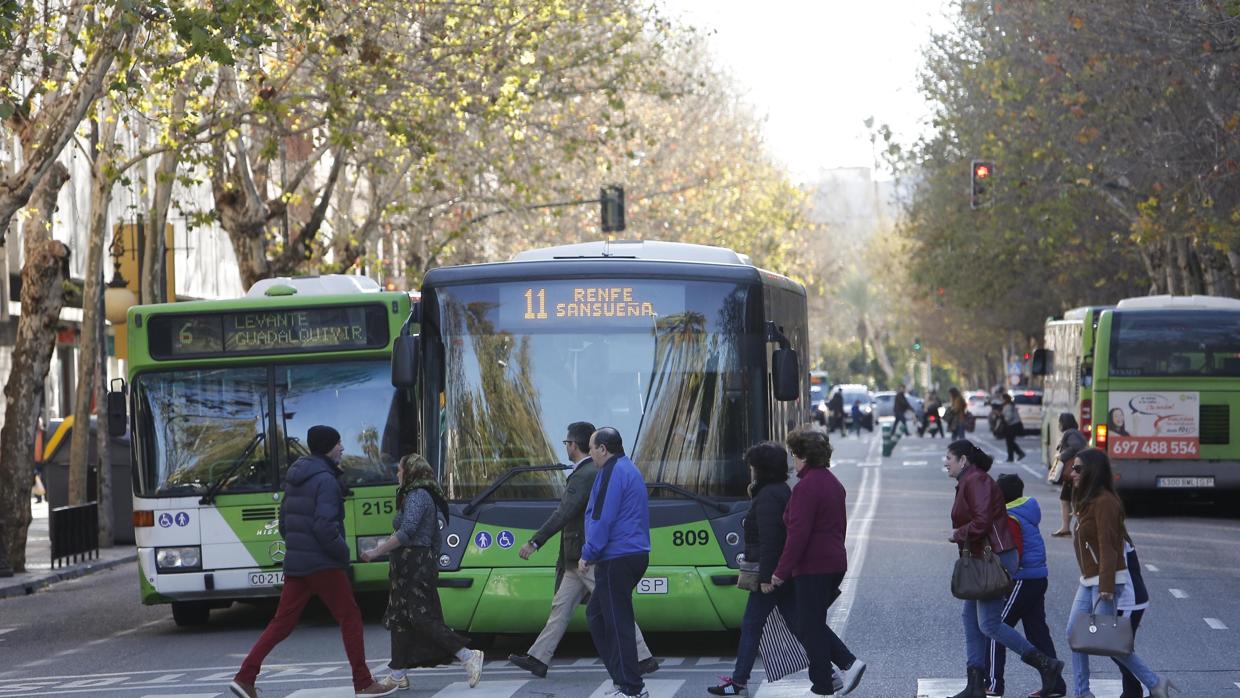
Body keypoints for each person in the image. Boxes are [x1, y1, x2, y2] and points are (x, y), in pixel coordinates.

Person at [229, 426, 395, 698]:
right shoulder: (326, 481)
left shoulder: (296, 478)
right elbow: (324, 527)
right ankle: (363, 682)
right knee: (350, 617)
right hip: (323, 563)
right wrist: (343, 554)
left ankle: (245, 677)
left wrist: (299, 546)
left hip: (298, 561)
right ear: (329, 447)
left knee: (281, 622)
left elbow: (283, 523)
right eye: (339, 443)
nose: (342, 448)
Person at [509, 422, 657, 678]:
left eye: (567, 443)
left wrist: (536, 541)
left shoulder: (590, 474)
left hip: (586, 555)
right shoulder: (607, 470)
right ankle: (538, 658)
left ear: (573, 445)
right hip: (579, 556)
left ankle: (641, 659)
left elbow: (572, 514)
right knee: (561, 607)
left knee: (613, 607)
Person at [943, 439, 1063, 698]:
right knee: (970, 619)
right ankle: (975, 685)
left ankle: (1046, 664)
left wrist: (958, 533)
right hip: (984, 556)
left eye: (949, 458)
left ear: (963, 460)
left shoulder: (976, 481)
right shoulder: (971, 480)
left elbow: (982, 522)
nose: (945, 463)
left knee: (990, 624)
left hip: (994, 557)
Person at [361, 454, 484, 692]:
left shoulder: (418, 496)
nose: (397, 473)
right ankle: (397, 674)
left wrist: (377, 551)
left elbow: (407, 532)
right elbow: (435, 537)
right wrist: (431, 559)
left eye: (400, 469)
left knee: (420, 616)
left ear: (411, 472)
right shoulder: (414, 495)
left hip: (414, 564)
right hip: (409, 565)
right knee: (400, 618)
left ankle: (468, 655)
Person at [1065, 449, 1176, 698]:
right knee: (1074, 634)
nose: (1072, 472)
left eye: (1078, 468)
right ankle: (1082, 692)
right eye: (1073, 467)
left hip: (1106, 580)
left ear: (1093, 472)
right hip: (1089, 580)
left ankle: (1155, 682)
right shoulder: (1087, 501)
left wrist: (1106, 585)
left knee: (1108, 643)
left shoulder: (1105, 502)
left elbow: (1108, 545)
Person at [770, 428, 866, 696]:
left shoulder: (805, 488)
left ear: (803, 456)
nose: (793, 460)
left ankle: (845, 665)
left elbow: (797, 535)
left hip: (812, 566)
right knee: (811, 623)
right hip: (834, 561)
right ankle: (826, 680)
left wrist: (781, 572)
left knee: (808, 623)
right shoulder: (833, 483)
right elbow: (840, 526)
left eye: (794, 454)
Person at [580, 427, 652, 698]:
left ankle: (632, 688)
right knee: (597, 616)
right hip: (631, 554)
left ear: (603, 449)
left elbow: (602, 516)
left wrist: (589, 553)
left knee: (617, 623)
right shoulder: (628, 468)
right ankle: (623, 680)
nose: (589, 454)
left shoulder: (611, 472)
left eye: (591, 448)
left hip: (616, 557)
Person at [984, 474, 1067, 698]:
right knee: (1037, 632)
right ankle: (1056, 685)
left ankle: (993, 683)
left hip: (1022, 579)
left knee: (994, 627)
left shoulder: (1009, 517)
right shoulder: (1025, 510)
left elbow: (1013, 555)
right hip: (1037, 577)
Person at [1114, 537, 1150, 698]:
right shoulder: (1114, 531)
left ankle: (1151, 684)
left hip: (1129, 600)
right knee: (1120, 649)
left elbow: (1113, 569)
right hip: (1125, 600)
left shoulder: (1114, 534)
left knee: (1117, 648)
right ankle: (1131, 691)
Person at [1051, 413, 1087, 537]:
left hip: (1073, 473)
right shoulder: (1076, 432)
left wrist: (1062, 456)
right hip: (1075, 472)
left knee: (1073, 500)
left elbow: (1076, 446)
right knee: (1066, 499)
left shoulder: (1070, 433)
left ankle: (1074, 528)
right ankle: (1066, 528)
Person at [999, 394, 1026, 462]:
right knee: (1010, 442)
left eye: (1002, 399)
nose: (1001, 400)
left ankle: (1015, 455)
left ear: (1005, 399)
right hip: (1013, 425)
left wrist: (1001, 416)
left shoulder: (1008, 406)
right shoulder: (1009, 405)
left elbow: (1009, 418)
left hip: (1013, 426)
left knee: (1009, 441)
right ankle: (1016, 455)